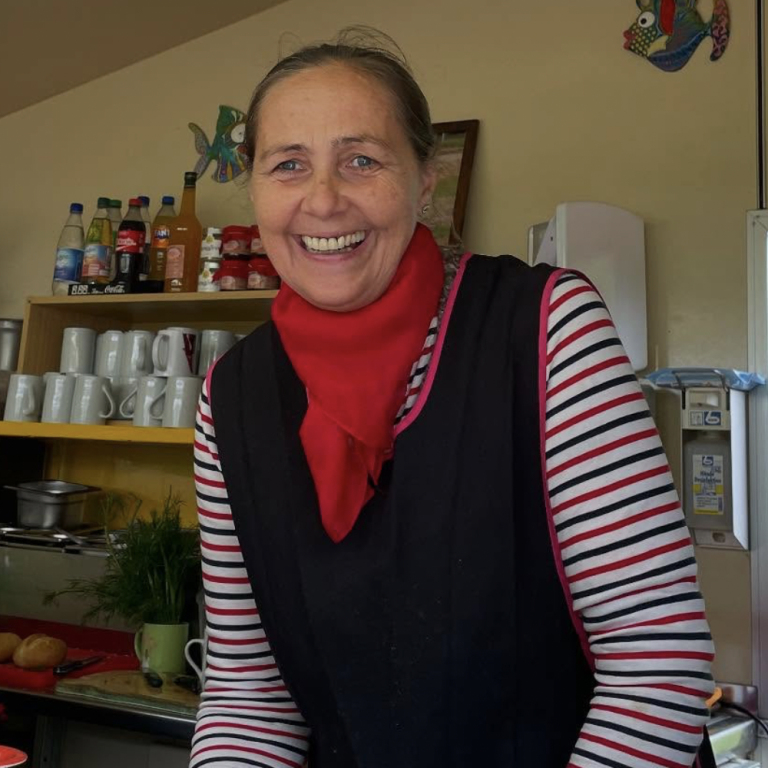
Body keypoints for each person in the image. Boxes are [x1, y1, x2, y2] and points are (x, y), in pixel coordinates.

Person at [190, 28, 714, 768]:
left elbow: (657, 661)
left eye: (361, 160)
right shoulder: (230, 398)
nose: (324, 199)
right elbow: (250, 699)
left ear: (424, 177)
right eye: (288, 165)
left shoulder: (543, 328)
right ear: (255, 186)